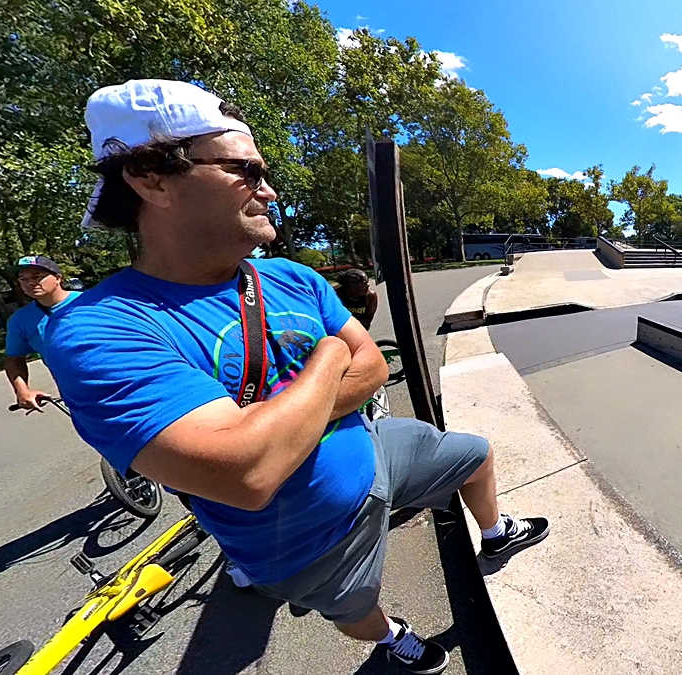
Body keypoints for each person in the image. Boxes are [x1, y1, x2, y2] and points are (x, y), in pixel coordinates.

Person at [46, 80, 548, 675]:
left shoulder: (291, 277)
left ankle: (495, 531)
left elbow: (374, 366)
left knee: (475, 454)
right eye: (246, 170)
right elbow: (248, 473)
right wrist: (330, 356)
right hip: (299, 543)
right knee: (355, 610)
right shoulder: (99, 328)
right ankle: (392, 636)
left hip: (377, 452)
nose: (270, 190)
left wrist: (272, 426)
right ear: (151, 180)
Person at [4, 255, 82, 411]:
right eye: (23, 279)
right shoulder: (20, 320)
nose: (30, 283)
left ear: (58, 278)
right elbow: (14, 358)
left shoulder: (91, 302)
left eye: (37, 276)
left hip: (126, 387)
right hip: (79, 401)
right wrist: (22, 391)